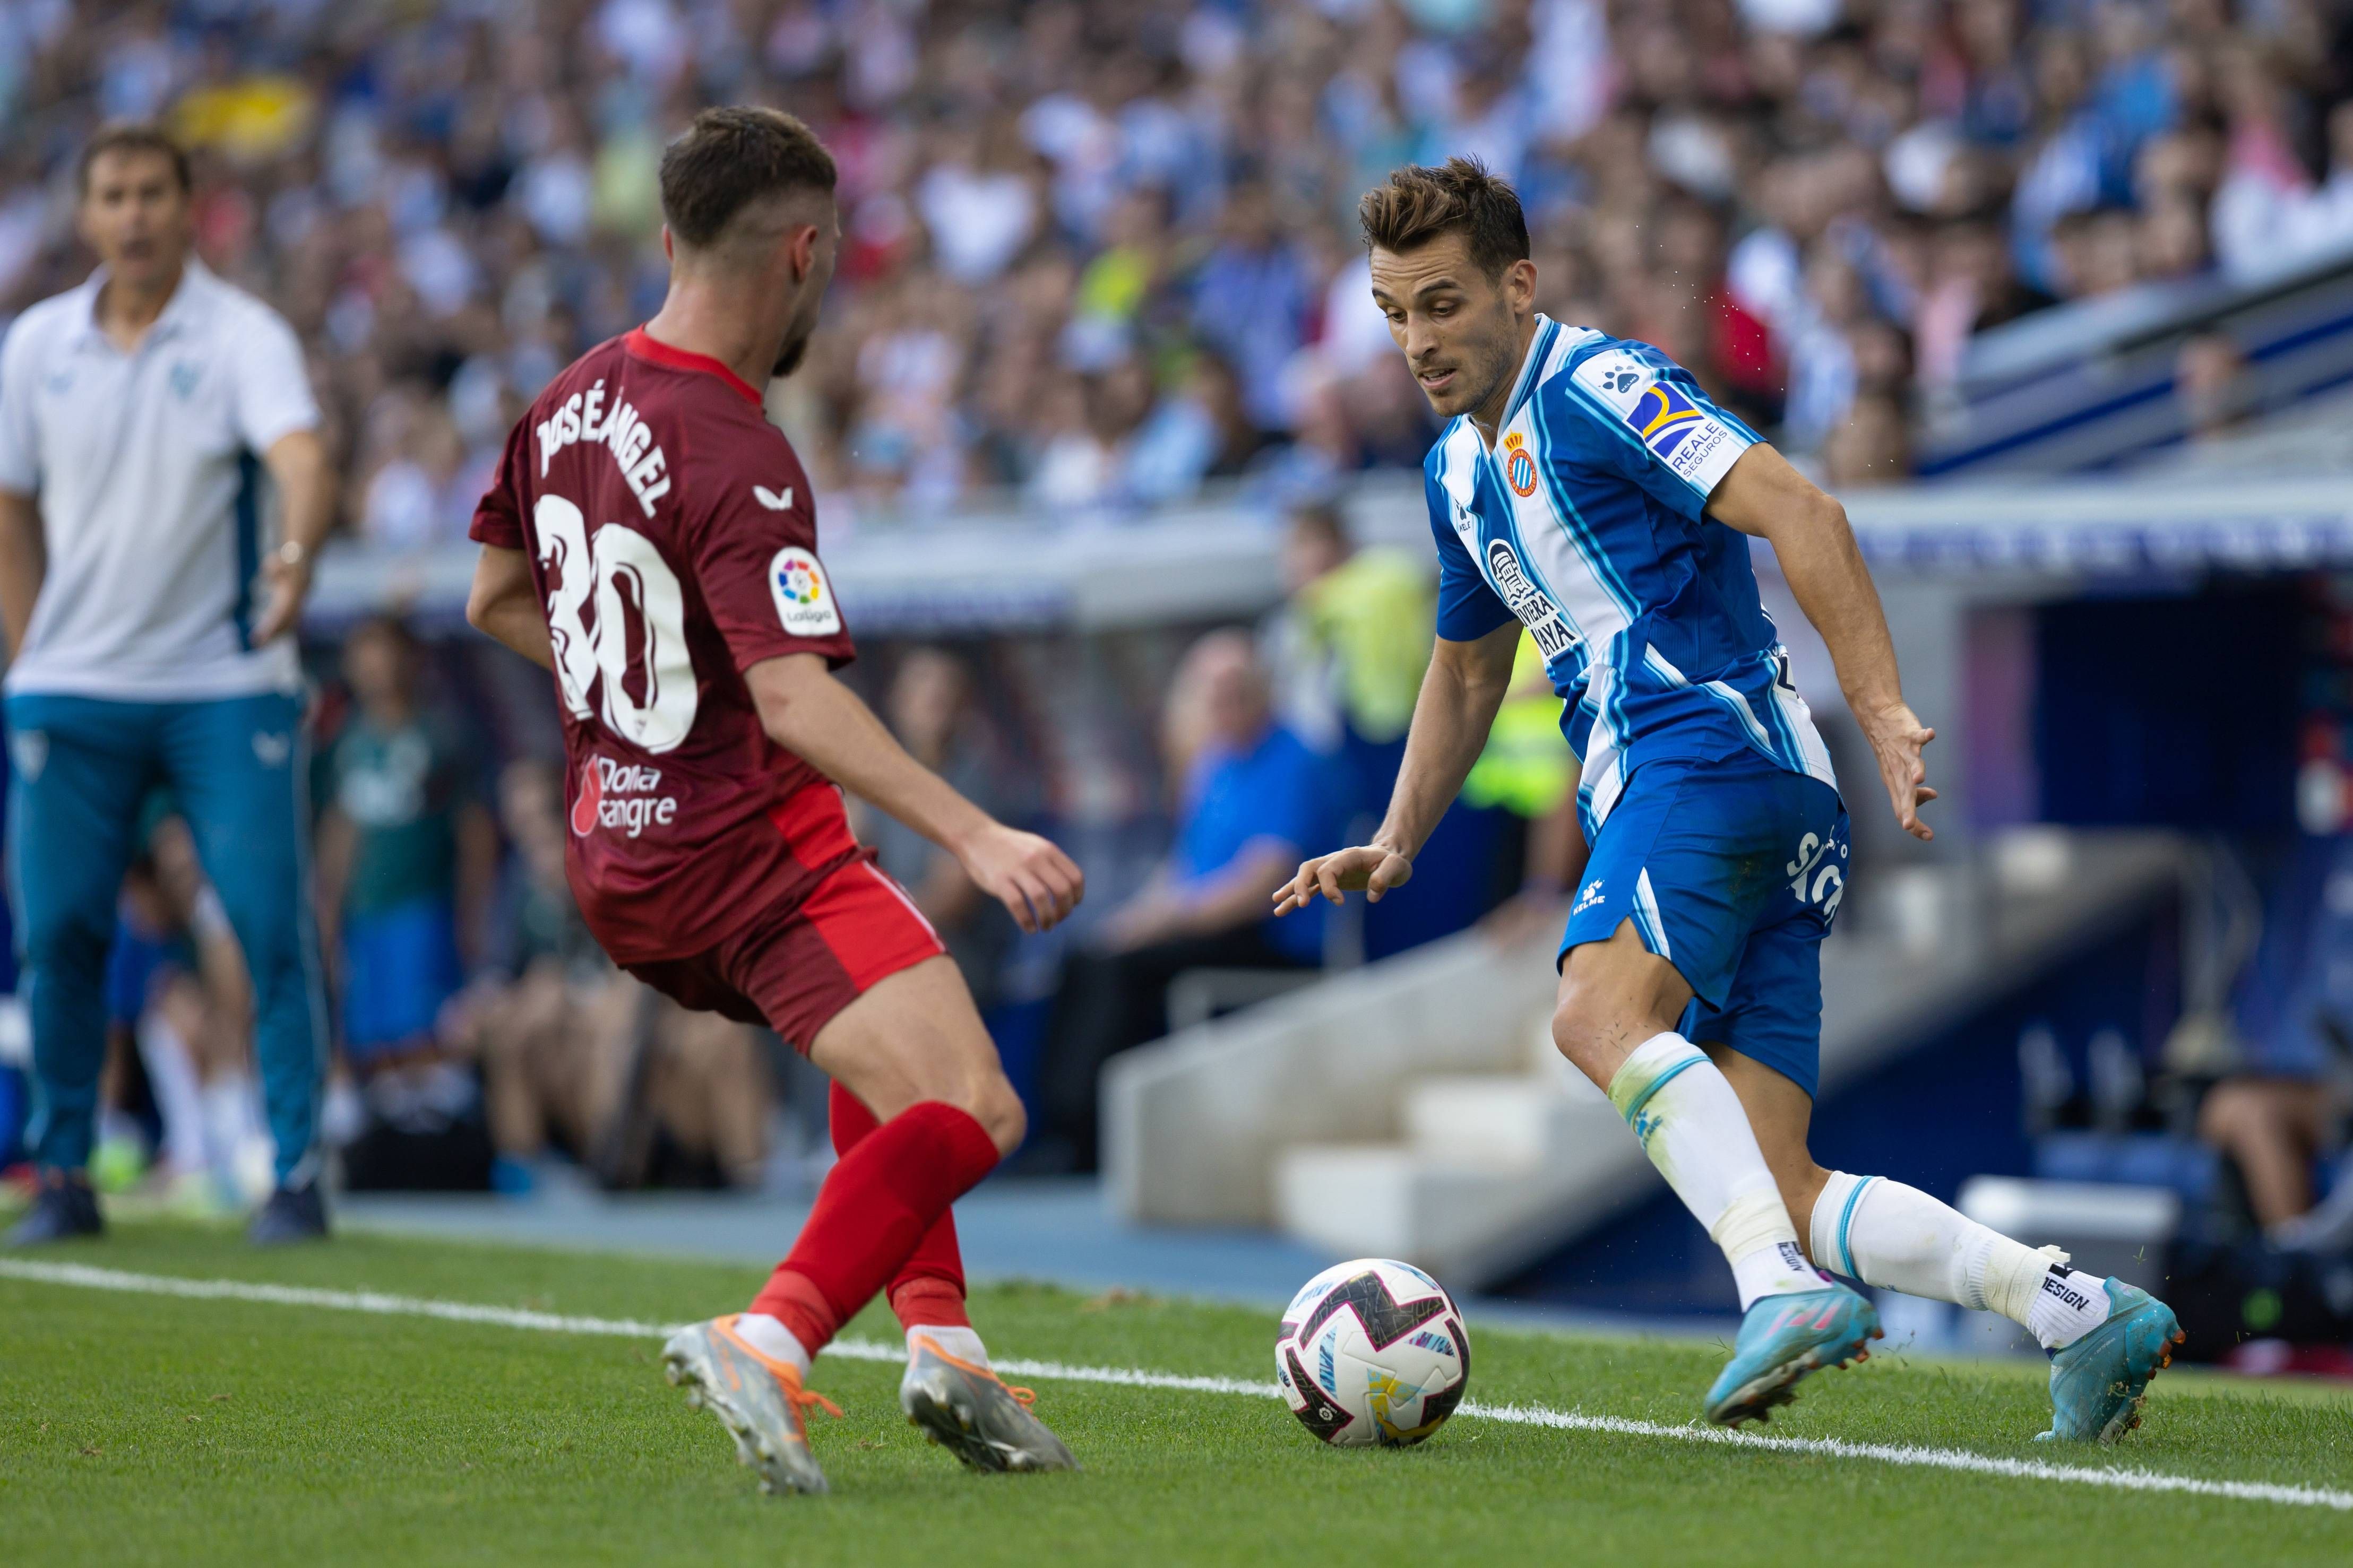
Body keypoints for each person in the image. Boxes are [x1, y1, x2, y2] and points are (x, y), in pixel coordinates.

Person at [1277, 158, 2184, 1443]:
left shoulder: (1598, 383)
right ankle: (2076, 1311)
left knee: (1595, 1011)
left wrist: (1876, 703)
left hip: (1699, 751)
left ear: (1517, 285)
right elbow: (1468, 666)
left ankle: (1771, 1291)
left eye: (1441, 303)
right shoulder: (1454, 475)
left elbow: (1800, 507)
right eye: (1394, 313)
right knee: (1779, 1177)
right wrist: (1395, 837)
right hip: (1746, 795)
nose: (1417, 341)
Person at [462, 107, 1085, 1496]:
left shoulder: (560, 402)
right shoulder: (735, 444)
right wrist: (976, 831)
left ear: (668, 234)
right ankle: (773, 1333)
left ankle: (946, 1347)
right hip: (746, 847)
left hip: (618, 856)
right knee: (978, 1106)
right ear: (805, 253)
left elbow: (496, 598)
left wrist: (640, 697)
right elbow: (795, 699)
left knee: (891, 1046)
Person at [0, 123, 335, 1245]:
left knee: (264, 924)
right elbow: (7, 498)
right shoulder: (38, 344)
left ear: (191, 205)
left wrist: (292, 560)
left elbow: (300, 456)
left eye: (153, 192)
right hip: (71, 686)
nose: (134, 213)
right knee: (61, 935)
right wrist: (27, 642)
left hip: (223, 680)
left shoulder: (244, 336)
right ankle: (62, 1176)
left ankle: (293, 1171)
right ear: (88, 213)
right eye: (113, 194)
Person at [1033, 630, 1330, 1171]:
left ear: (1262, 690)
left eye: (1234, 687)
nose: (1222, 700)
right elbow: (1183, 867)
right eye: (1210, 690)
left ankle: (1085, 1138)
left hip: (1267, 936)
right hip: (1204, 925)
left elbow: (1262, 883)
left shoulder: (1294, 759)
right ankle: (1054, 1128)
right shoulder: (1212, 763)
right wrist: (1137, 919)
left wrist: (1166, 921)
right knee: (1085, 956)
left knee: (1122, 970)